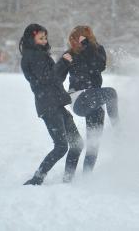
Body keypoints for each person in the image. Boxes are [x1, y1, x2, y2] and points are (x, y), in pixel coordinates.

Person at [19, 23, 84, 185]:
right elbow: (47, 78)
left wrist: (65, 63)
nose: (44, 40)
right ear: (31, 39)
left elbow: (56, 79)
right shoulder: (32, 56)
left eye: (45, 37)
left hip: (56, 103)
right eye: (40, 38)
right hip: (48, 105)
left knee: (77, 143)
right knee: (61, 146)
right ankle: (37, 178)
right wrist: (62, 62)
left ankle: (68, 179)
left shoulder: (40, 54)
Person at [56, 26, 119, 173]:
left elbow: (99, 66)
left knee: (93, 142)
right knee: (111, 93)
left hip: (94, 99)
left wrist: (88, 47)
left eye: (78, 39)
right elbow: (57, 78)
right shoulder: (70, 54)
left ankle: (85, 178)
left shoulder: (97, 50)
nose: (75, 43)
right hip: (79, 97)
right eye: (73, 40)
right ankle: (118, 130)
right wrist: (63, 62)